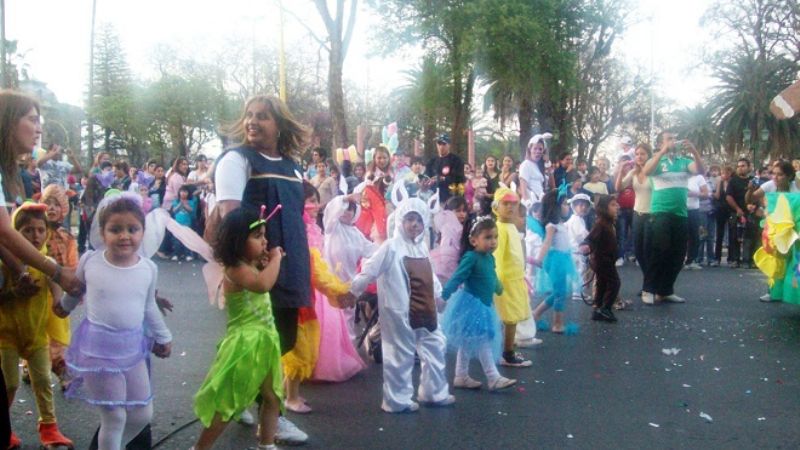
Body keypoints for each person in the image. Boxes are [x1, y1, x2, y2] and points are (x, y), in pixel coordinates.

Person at [211, 95, 310, 444]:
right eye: (249, 116)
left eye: (263, 117)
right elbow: (230, 219)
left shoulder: (294, 167)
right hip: (259, 265)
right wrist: (246, 265)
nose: (253, 122)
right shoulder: (237, 160)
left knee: (282, 339)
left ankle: (244, 395)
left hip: (290, 259)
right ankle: (271, 414)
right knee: (260, 341)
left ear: (279, 124)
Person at [53, 194, 172, 450]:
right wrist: (64, 306)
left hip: (132, 349)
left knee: (142, 414)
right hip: (98, 349)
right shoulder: (91, 261)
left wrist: (163, 336)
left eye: (132, 229)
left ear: (142, 231)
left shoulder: (148, 268)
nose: (124, 236)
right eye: (115, 229)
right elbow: (76, 289)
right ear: (102, 232)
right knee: (114, 417)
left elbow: (148, 304)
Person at [343, 198, 454, 413]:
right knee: (399, 354)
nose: (415, 225)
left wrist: (439, 295)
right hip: (399, 309)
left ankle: (434, 392)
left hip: (425, 308)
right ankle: (397, 400)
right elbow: (369, 270)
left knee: (435, 345)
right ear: (400, 221)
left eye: (419, 221)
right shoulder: (391, 247)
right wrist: (351, 291)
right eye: (410, 219)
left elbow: (430, 275)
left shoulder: (421, 246)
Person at [191, 207, 283, 450]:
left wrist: (264, 262)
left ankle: (267, 443)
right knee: (229, 399)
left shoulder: (249, 265)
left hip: (264, 339)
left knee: (272, 397)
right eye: (257, 236)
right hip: (246, 342)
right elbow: (263, 285)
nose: (264, 241)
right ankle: (201, 448)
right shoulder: (235, 269)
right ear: (236, 241)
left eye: (264, 235)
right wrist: (276, 259)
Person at [0, 203, 73, 449]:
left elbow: (57, 292)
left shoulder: (46, 263)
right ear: (13, 234)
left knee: (43, 381)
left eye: (41, 230)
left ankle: (50, 429)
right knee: (9, 384)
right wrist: (12, 293)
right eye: (28, 231)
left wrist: (60, 304)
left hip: (37, 336)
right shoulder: (4, 265)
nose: (36, 236)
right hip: (5, 336)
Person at [440, 216, 517, 391]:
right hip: (471, 306)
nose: (493, 242)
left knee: (467, 342)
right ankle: (493, 377)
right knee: (482, 340)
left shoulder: (489, 258)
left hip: (485, 305)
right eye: (488, 237)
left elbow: (492, 276)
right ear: (474, 240)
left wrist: (499, 288)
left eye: (495, 237)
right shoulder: (471, 258)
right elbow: (458, 276)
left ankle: (461, 376)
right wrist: (445, 295)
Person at [641, 131, 704, 303]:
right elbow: (646, 171)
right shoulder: (657, 161)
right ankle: (648, 289)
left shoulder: (684, 162)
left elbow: (700, 170)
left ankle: (665, 290)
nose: (672, 142)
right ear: (661, 143)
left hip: (680, 213)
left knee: (678, 253)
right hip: (660, 213)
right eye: (668, 139)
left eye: (674, 139)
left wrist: (695, 152)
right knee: (659, 251)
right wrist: (661, 152)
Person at [39, 185, 78, 390]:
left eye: (56, 204)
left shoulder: (67, 238)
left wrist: (75, 290)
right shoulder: (36, 231)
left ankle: (61, 370)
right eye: (48, 203)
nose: (51, 208)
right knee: (35, 330)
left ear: (63, 209)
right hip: (37, 289)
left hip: (58, 293)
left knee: (57, 334)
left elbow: (73, 265)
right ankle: (31, 365)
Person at [492, 187, 533, 366]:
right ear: (496, 206)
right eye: (505, 203)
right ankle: (507, 353)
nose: (510, 207)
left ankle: (506, 350)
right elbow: (497, 258)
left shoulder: (510, 226)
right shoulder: (500, 229)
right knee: (509, 318)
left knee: (512, 318)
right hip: (505, 282)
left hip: (515, 280)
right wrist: (497, 281)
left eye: (513, 204)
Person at [532, 190, 578, 333]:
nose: (567, 207)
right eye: (564, 204)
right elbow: (546, 243)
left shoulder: (560, 223)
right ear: (555, 206)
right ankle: (557, 323)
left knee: (559, 292)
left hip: (562, 259)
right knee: (560, 292)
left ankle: (536, 313)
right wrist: (539, 259)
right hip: (555, 261)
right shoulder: (552, 225)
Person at [617, 144, 654, 302]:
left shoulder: (654, 172)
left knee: (649, 251)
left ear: (649, 156)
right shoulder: (633, 172)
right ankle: (648, 283)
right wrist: (621, 170)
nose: (639, 156)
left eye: (643, 154)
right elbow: (619, 187)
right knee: (639, 252)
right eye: (637, 154)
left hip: (653, 215)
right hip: (637, 214)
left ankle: (649, 287)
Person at [583, 195, 621, 322]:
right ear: (605, 208)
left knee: (602, 284)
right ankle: (606, 308)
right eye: (613, 205)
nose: (617, 207)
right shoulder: (601, 224)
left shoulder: (609, 223)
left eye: (616, 204)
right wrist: (586, 246)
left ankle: (598, 308)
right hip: (603, 260)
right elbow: (591, 238)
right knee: (614, 283)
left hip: (606, 260)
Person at [725, 158, 753, 268]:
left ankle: (747, 260)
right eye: (739, 166)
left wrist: (754, 207)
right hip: (735, 213)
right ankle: (735, 260)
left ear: (749, 167)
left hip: (750, 213)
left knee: (749, 238)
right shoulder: (733, 181)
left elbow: (758, 195)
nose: (740, 168)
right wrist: (737, 209)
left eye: (743, 166)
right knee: (734, 237)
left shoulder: (753, 180)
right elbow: (728, 197)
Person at [424, 133, 465, 204]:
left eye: (444, 144)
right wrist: (424, 180)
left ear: (449, 145)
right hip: (432, 198)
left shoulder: (456, 160)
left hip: (450, 199)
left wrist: (443, 178)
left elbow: (460, 178)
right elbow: (426, 175)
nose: (441, 147)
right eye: (439, 144)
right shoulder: (432, 161)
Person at [685, 171, 710, 269]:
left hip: (694, 210)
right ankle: (678, 259)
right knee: (679, 236)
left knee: (694, 236)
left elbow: (706, 194)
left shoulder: (699, 177)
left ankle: (691, 260)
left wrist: (694, 193)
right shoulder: (680, 175)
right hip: (679, 209)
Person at [169, 185, 198, 261]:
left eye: (185, 191)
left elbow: (191, 210)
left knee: (187, 239)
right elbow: (174, 210)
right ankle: (176, 254)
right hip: (177, 224)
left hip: (187, 224)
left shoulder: (191, 201)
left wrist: (185, 205)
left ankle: (188, 254)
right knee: (176, 240)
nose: (183, 193)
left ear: (188, 193)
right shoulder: (176, 201)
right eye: (182, 191)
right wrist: (180, 204)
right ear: (179, 192)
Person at [712, 166, 733, 267]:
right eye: (722, 173)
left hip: (730, 210)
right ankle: (717, 258)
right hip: (720, 209)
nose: (724, 175)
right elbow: (717, 196)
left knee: (731, 235)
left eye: (725, 172)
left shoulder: (733, 182)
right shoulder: (719, 182)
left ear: (730, 173)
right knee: (719, 234)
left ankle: (731, 258)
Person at [519, 136, 548, 203]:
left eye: (540, 149)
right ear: (530, 150)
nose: (537, 151)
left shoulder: (538, 166)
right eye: (535, 149)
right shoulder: (526, 164)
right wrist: (527, 202)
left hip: (540, 202)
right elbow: (523, 187)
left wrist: (548, 164)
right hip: (531, 203)